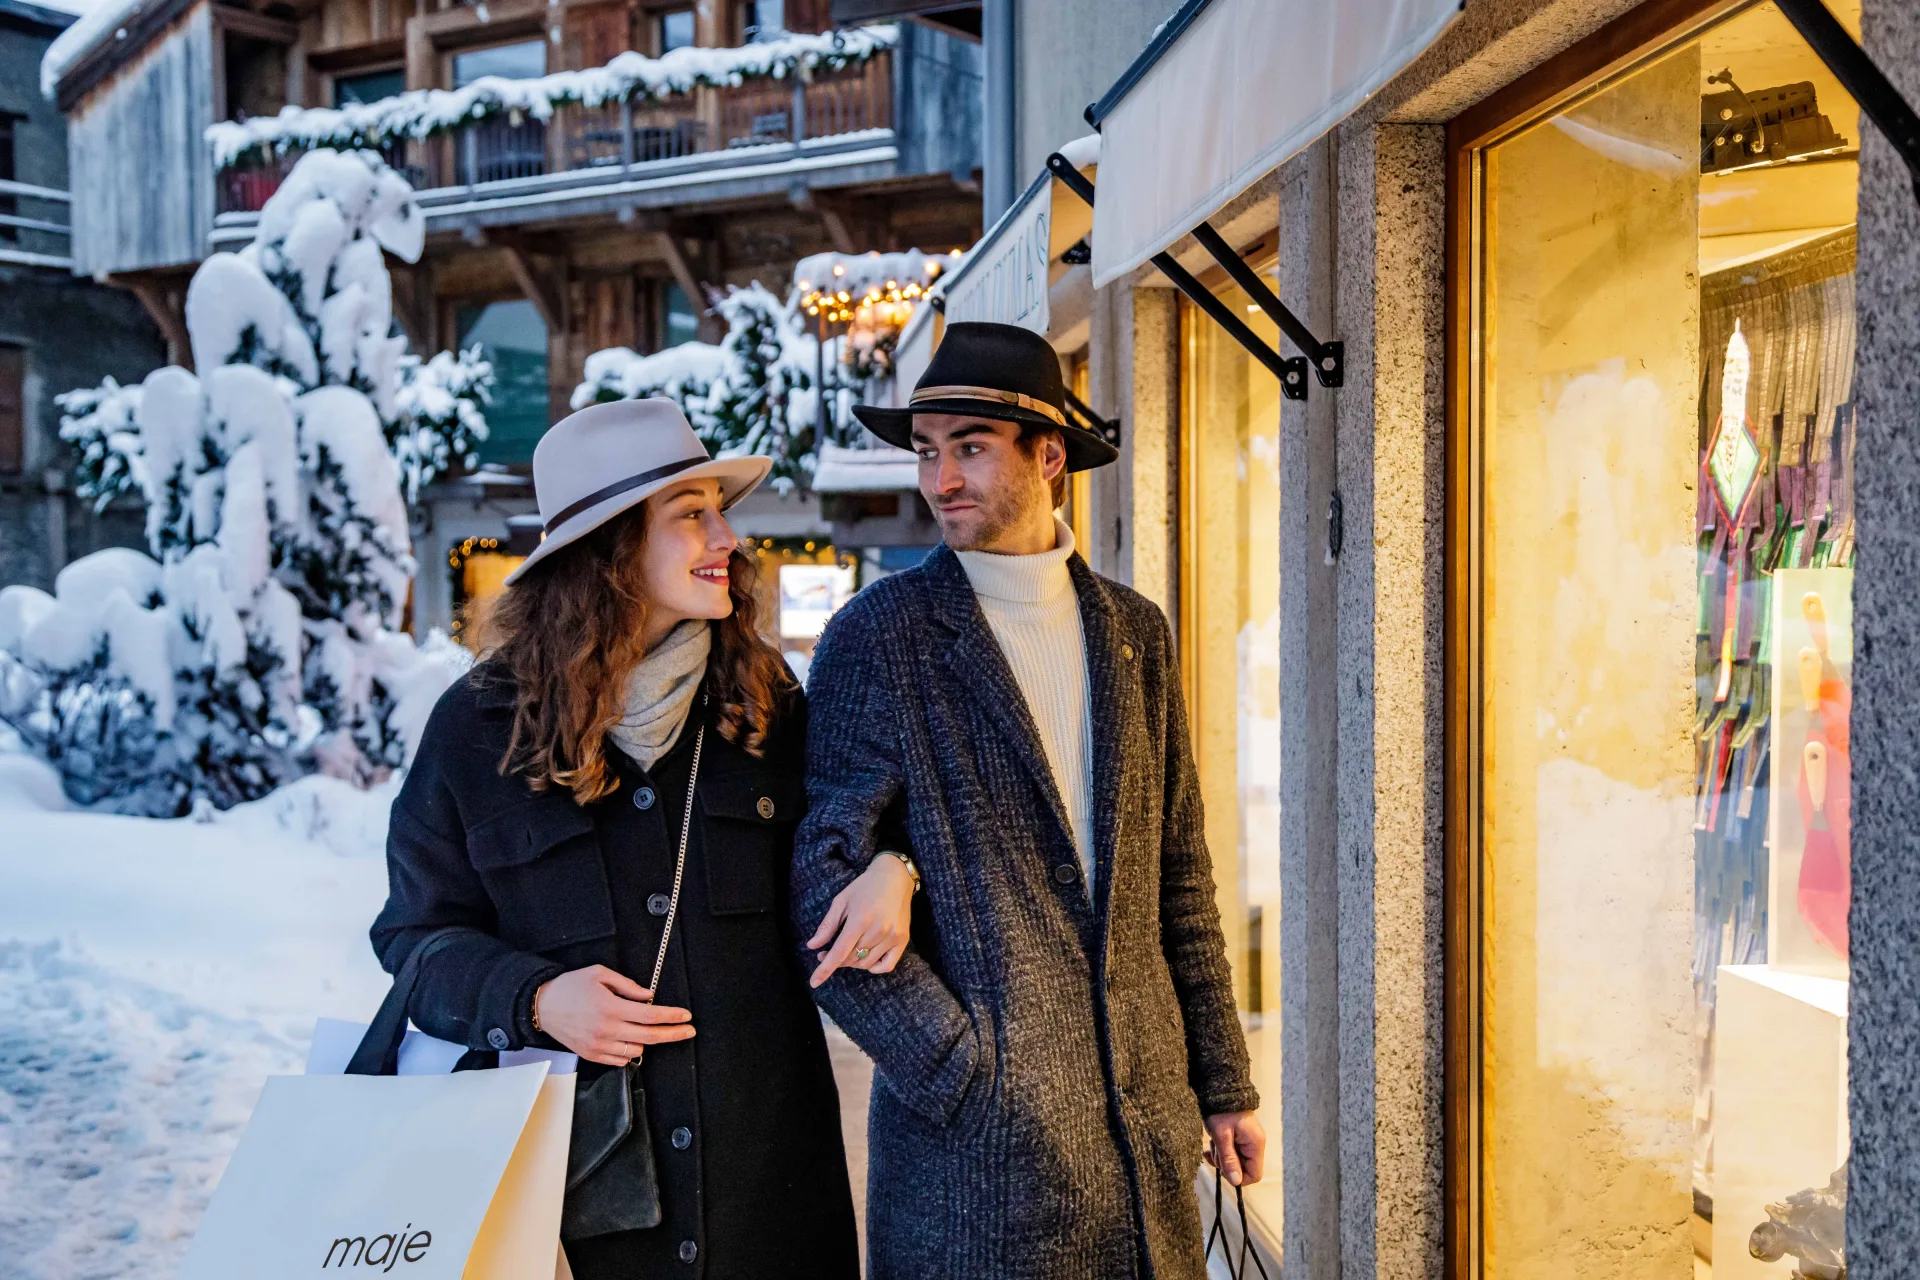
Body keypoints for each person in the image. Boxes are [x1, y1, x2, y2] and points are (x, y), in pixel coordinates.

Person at [370, 399, 906, 1279]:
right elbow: (412, 937)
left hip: (768, 1213)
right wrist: (535, 1000)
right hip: (571, 1227)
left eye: (719, 510)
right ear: (610, 549)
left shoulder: (763, 702)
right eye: (691, 514)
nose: (727, 535)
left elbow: (854, 829)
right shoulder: (478, 728)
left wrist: (894, 866)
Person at [790, 322, 1266, 1280]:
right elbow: (820, 886)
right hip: (976, 1175)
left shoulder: (1136, 634)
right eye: (928, 452)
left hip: (1144, 1145)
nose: (941, 479)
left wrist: (1221, 1081)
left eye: (970, 446)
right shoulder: (879, 638)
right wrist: (969, 1079)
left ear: (1050, 457)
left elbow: (1178, 873)